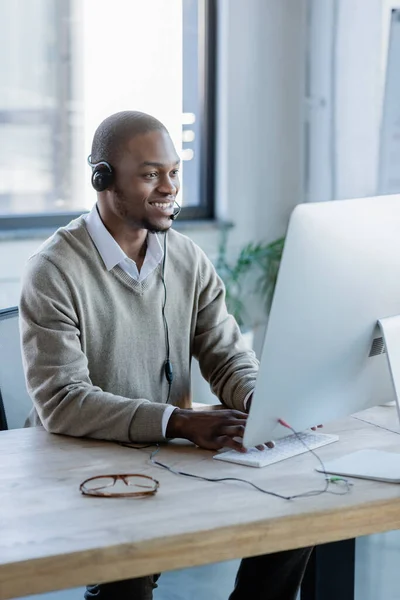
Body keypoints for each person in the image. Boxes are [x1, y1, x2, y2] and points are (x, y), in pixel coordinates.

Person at [19, 110, 312, 600]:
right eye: (151, 174)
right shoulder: (54, 270)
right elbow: (62, 401)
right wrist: (178, 422)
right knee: (131, 565)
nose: (168, 188)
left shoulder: (186, 258)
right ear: (103, 179)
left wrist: (265, 400)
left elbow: (226, 356)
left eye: (173, 172)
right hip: (79, 462)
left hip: (167, 451)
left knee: (295, 511)